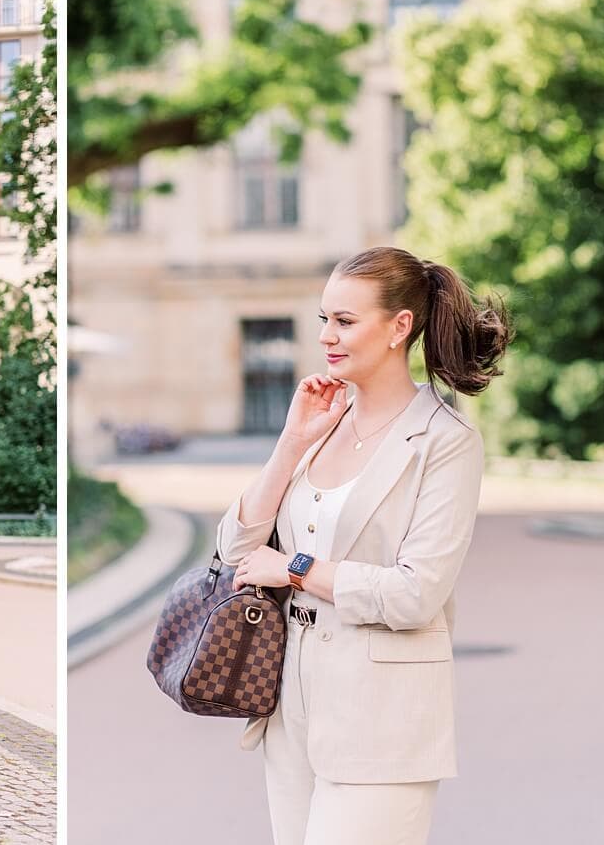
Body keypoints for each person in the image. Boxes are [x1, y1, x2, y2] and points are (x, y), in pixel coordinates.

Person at [217, 247, 513, 845]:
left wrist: (295, 568)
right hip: (289, 702)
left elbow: (414, 595)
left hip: (382, 714)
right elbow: (235, 548)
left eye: (346, 321)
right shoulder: (322, 424)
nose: (327, 335)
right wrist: (291, 444)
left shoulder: (445, 442)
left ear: (399, 327)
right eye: (324, 318)